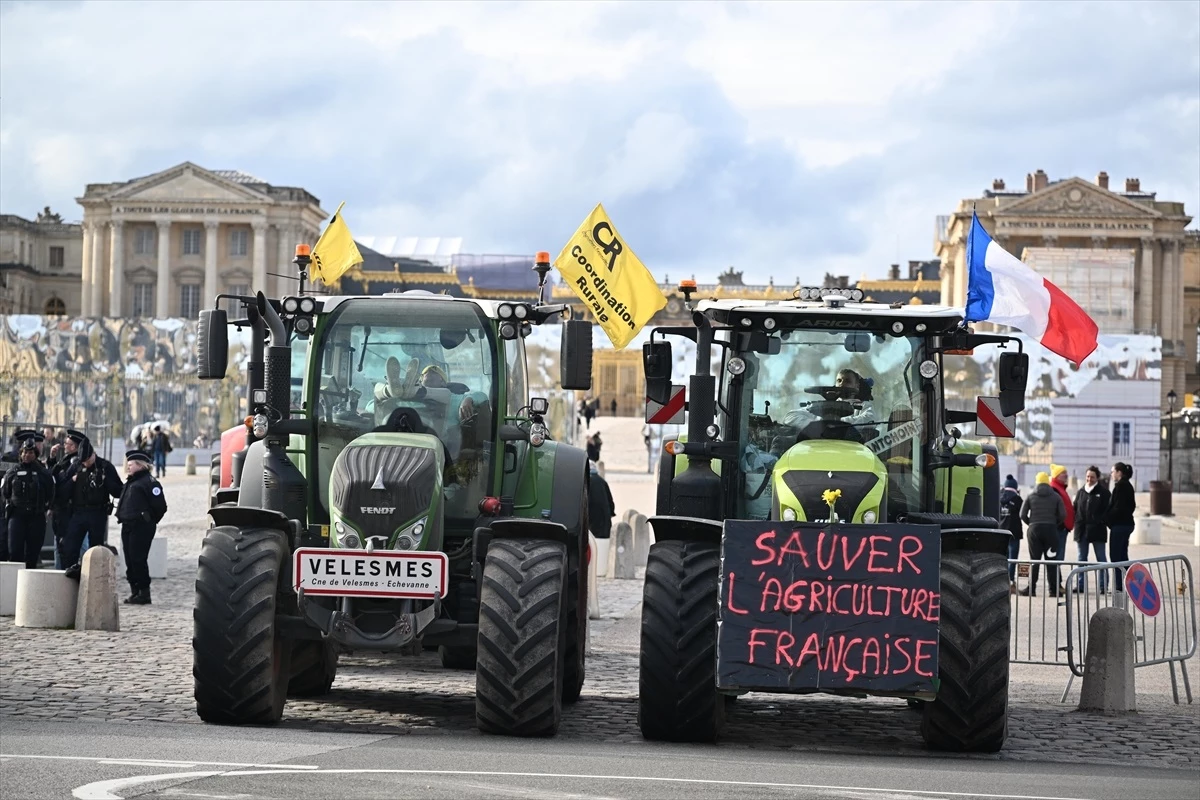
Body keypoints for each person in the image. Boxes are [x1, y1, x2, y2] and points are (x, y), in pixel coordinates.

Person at [58, 433, 122, 580]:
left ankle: (95, 580)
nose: (85, 464)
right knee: (69, 547)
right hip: (78, 512)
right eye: (83, 461)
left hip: (97, 513)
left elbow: (119, 491)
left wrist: (105, 481)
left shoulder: (105, 467)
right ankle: (70, 576)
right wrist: (73, 481)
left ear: (93, 454)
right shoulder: (76, 466)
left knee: (96, 550)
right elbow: (62, 492)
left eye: (88, 460)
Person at [115, 450, 168, 605]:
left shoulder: (150, 483)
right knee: (130, 561)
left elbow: (160, 507)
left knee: (138, 559)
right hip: (127, 525)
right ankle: (135, 591)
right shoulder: (131, 481)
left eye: (131, 465)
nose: (128, 467)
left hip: (141, 527)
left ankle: (144, 592)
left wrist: (149, 520)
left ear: (140, 465)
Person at [1, 431, 55, 569]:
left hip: (36, 516)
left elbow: (51, 493)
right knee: (15, 552)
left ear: (35, 454)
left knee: (32, 554)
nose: (27, 455)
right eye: (24, 452)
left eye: (30, 453)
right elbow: (6, 492)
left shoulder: (43, 473)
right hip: (17, 516)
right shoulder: (12, 473)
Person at [1019, 472, 1065, 597]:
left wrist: (1031, 524)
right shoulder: (1056, 496)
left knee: (1034, 560)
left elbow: (1022, 514)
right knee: (1051, 561)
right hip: (1050, 531)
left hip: (1034, 531)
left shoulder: (1030, 496)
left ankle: (1031, 589)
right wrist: (1054, 524)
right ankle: (1053, 590)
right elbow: (1062, 515)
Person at [48, 429, 85, 568]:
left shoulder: (76, 462)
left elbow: (62, 484)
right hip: (60, 510)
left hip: (70, 510)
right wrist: (52, 457)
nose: (64, 445)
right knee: (59, 547)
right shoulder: (65, 460)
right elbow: (53, 477)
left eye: (67, 443)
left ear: (74, 447)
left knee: (74, 547)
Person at [1072, 465, 1111, 594]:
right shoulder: (1081, 492)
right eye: (1088, 476)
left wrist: (1101, 521)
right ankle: (1080, 585)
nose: (1089, 479)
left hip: (1098, 531)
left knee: (1101, 559)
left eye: (1092, 477)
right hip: (1082, 531)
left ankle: (1103, 586)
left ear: (1097, 478)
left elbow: (1108, 510)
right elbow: (1075, 509)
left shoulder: (1104, 493)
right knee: (1081, 559)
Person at [1106, 461, 1137, 592]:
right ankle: (1129, 584)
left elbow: (1118, 508)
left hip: (1119, 525)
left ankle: (1119, 586)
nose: (1111, 474)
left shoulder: (1121, 486)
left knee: (1116, 558)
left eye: (1113, 471)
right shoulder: (1127, 485)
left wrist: (1106, 518)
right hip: (1126, 524)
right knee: (1123, 556)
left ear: (1119, 472)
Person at [1048, 464, 1075, 594]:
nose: (1066, 475)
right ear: (1057, 476)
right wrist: (1061, 524)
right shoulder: (1054, 489)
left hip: (1062, 529)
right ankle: (1055, 585)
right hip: (1058, 529)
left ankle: (1057, 584)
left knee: (1059, 558)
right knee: (1056, 558)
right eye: (1063, 473)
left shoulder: (1059, 488)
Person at [999, 475, 1024, 593]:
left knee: (1002, 556)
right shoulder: (1017, 499)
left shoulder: (998, 497)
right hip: (1014, 531)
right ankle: (1010, 580)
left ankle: (1001, 580)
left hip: (1001, 531)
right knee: (1013, 557)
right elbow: (1021, 512)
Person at [587, 460, 616, 540]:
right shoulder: (602, 481)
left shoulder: (586, 482)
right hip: (605, 520)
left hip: (592, 522)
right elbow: (610, 502)